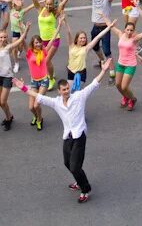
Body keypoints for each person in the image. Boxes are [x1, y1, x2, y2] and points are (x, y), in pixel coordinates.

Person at [13, 58, 113, 204]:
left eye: (68, 89)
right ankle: (79, 181)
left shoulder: (79, 96)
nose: (67, 91)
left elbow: (94, 84)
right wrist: (23, 88)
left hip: (79, 136)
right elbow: (38, 96)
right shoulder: (56, 102)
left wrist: (104, 70)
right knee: (67, 163)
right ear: (59, 91)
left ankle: (85, 189)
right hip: (67, 136)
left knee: (75, 166)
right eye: (64, 90)